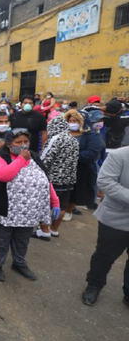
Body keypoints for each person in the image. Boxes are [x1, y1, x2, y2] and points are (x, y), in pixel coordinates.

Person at [0, 129, 60, 282]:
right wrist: (20, 160)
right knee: (1, 240)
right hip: (5, 210)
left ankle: (19, 263)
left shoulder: (34, 157)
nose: (23, 145)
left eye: (26, 142)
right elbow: (3, 175)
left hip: (29, 212)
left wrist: (55, 201)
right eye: (18, 142)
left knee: (22, 240)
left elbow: (45, 180)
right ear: (8, 144)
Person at [81, 146, 129, 307]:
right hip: (116, 218)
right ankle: (94, 285)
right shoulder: (120, 155)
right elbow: (105, 181)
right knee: (104, 256)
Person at [35, 116, 79, 240]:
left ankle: (44, 230)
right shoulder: (74, 140)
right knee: (62, 205)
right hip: (69, 179)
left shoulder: (55, 139)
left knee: (47, 205)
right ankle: (54, 229)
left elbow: (45, 159)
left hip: (53, 178)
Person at [65, 110, 105, 220]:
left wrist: (71, 155)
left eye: (76, 120)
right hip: (63, 169)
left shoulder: (91, 135)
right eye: (70, 120)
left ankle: (69, 209)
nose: (72, 123)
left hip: (81, 169)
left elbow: (92, 153)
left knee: (76, 191)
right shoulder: (63, 133)